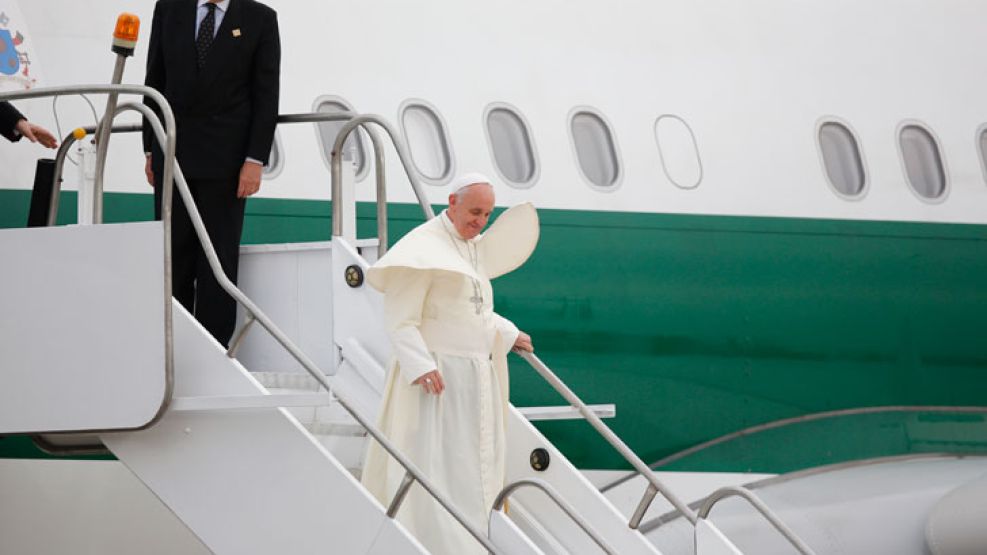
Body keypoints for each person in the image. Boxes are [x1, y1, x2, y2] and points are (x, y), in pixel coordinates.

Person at [361, 173, 539, 554]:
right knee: (438, 465)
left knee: (468, 469)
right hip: (437, 380)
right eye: (475, 212)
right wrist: (421, 365)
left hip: (475, 379)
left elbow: (471, 311)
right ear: (452, 202)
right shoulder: (424, 248)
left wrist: (508, 333)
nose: (481, 222)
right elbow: (400, 317)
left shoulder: (470, 246)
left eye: (488, 214)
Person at [142, 0, 280, 346]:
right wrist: (150, 146)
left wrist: (255, 159)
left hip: (228, 164)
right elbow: (153, 81)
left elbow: (266, 95)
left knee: (217, 260)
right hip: (172, 154)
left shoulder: (259, 19)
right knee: (174, 258)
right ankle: (171, 345)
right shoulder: (170, 9)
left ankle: (213, 348)